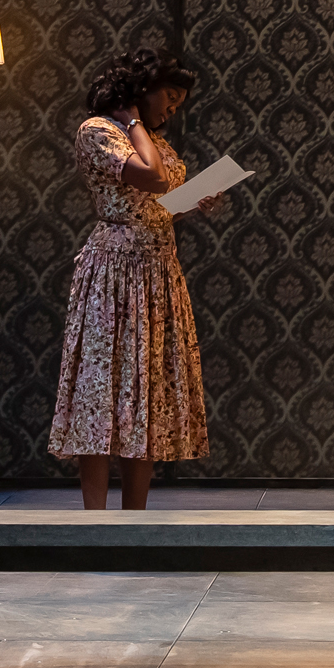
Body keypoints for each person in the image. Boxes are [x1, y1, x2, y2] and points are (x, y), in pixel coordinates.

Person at [46, 48, 224, 509]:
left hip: (158, 272)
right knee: (102, 392)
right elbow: (152, 179)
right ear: (141, 90)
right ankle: (94, 521)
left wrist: (194, 202)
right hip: (114, 273)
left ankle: (134, 519)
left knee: (145, 395)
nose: (172, 109)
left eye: (179, 103)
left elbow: (159, 204)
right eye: (169, 96)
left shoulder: (155, 140)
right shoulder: (99, 131)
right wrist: (133, 122)